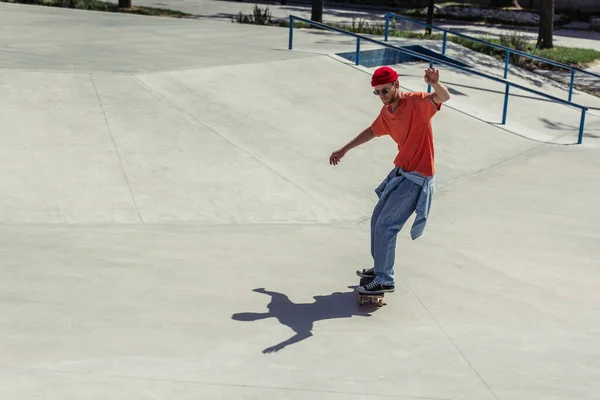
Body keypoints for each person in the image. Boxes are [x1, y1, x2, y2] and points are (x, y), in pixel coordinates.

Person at [329, 66, 451, 295]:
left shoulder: (417, 103)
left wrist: (434, 83)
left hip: (418, 178)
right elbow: (372, 131)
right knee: (377, 219)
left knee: (387, 225)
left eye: (384, 91)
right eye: (377, 93)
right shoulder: (388, 113)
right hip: (402, 173)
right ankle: (380, 269)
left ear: (396, 84)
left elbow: (443, 97)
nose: (382, 97)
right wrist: (344, 149)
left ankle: (385, 279)